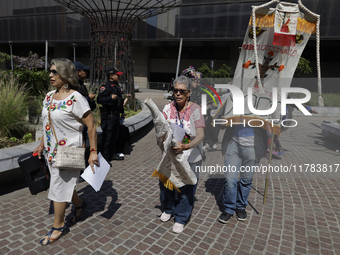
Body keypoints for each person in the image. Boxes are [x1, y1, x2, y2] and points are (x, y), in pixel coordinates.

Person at [34, 58, 99, 246]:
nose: (50, 75)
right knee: (62, 185)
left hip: (69, 151)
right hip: (50, 152)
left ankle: (58, 225)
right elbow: (47, 124)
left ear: (66, 75)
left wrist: (93, 152)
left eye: (55, 72)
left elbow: (91, 126)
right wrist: (41, 145)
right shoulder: (48, 96)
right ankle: (79, 205)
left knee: (58, 187)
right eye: (51, 71)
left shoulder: (76, 98)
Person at [160, 76, 205, 233]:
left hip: (190, 156)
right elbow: (161, 128)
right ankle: (168, 208)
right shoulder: (167, 108)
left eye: (182, 91)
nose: (178, 94)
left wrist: (186, 146)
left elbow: (200, 135)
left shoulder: (195, 109)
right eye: (175, 90)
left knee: (187, 188)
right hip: (171, 155)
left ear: (189, 93)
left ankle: (181, 217)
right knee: (167, 184)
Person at [218, 124, 267, 224]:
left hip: (253, 146)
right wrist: (222, 120)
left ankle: (240, 206)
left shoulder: (264, 107)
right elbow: (220, 122)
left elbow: (276, 123)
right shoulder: (231, 107)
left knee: (246, 180)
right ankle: (229, 208)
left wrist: (276, 124)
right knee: (230, 180)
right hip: (233, 143)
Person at [97, 67, 124, 162]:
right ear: (111, 76)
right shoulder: (106, 86)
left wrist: (122, 112)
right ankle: (104, 159)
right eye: (118, 75)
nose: (119, 77)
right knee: (107, 138)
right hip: (109, 117)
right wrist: (110, 98)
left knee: (114, 137)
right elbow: (99, 99)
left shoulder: (116, 86)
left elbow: (120, 100)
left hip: (115, 116)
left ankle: (111, 156)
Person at [73, 61, 96, 145]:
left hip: (83, 119)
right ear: (78, 72)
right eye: (84, 71)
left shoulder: (81, 84)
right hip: (78, 120)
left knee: (83, 141)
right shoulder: (74, 85)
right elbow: (75, 102)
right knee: (79, 141)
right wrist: (89, 98)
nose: (86, 73)